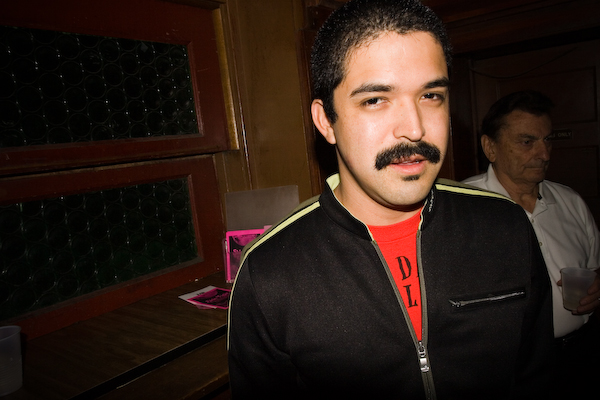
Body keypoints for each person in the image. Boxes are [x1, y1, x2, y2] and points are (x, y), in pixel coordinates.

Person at [227, 1, 554, 398]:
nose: (414, 129)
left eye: (431, 95)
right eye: (375, 100)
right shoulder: (269, 272)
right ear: (326, 121)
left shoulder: (506, 227)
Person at [462, 90, 600, 398]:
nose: (545, 154)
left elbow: (594, 266)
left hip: (582, 352)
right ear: (490, 147)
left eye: (547, 140)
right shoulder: (462, 208)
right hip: (510, 368)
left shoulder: (571, 201)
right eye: (527, 142)